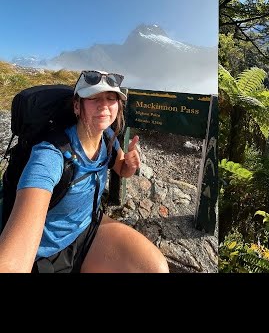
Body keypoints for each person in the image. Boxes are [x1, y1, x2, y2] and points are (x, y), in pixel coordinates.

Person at [0, 70, 169, 273]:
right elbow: (12, 262)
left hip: (88, 229)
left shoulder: (107, 137)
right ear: (77, 106)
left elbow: (121, 169)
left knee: (154, 268)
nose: (104, 105)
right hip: (46, 255)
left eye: (111, 98)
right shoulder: (50, 156)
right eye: (93, 98)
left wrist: (129, 166)